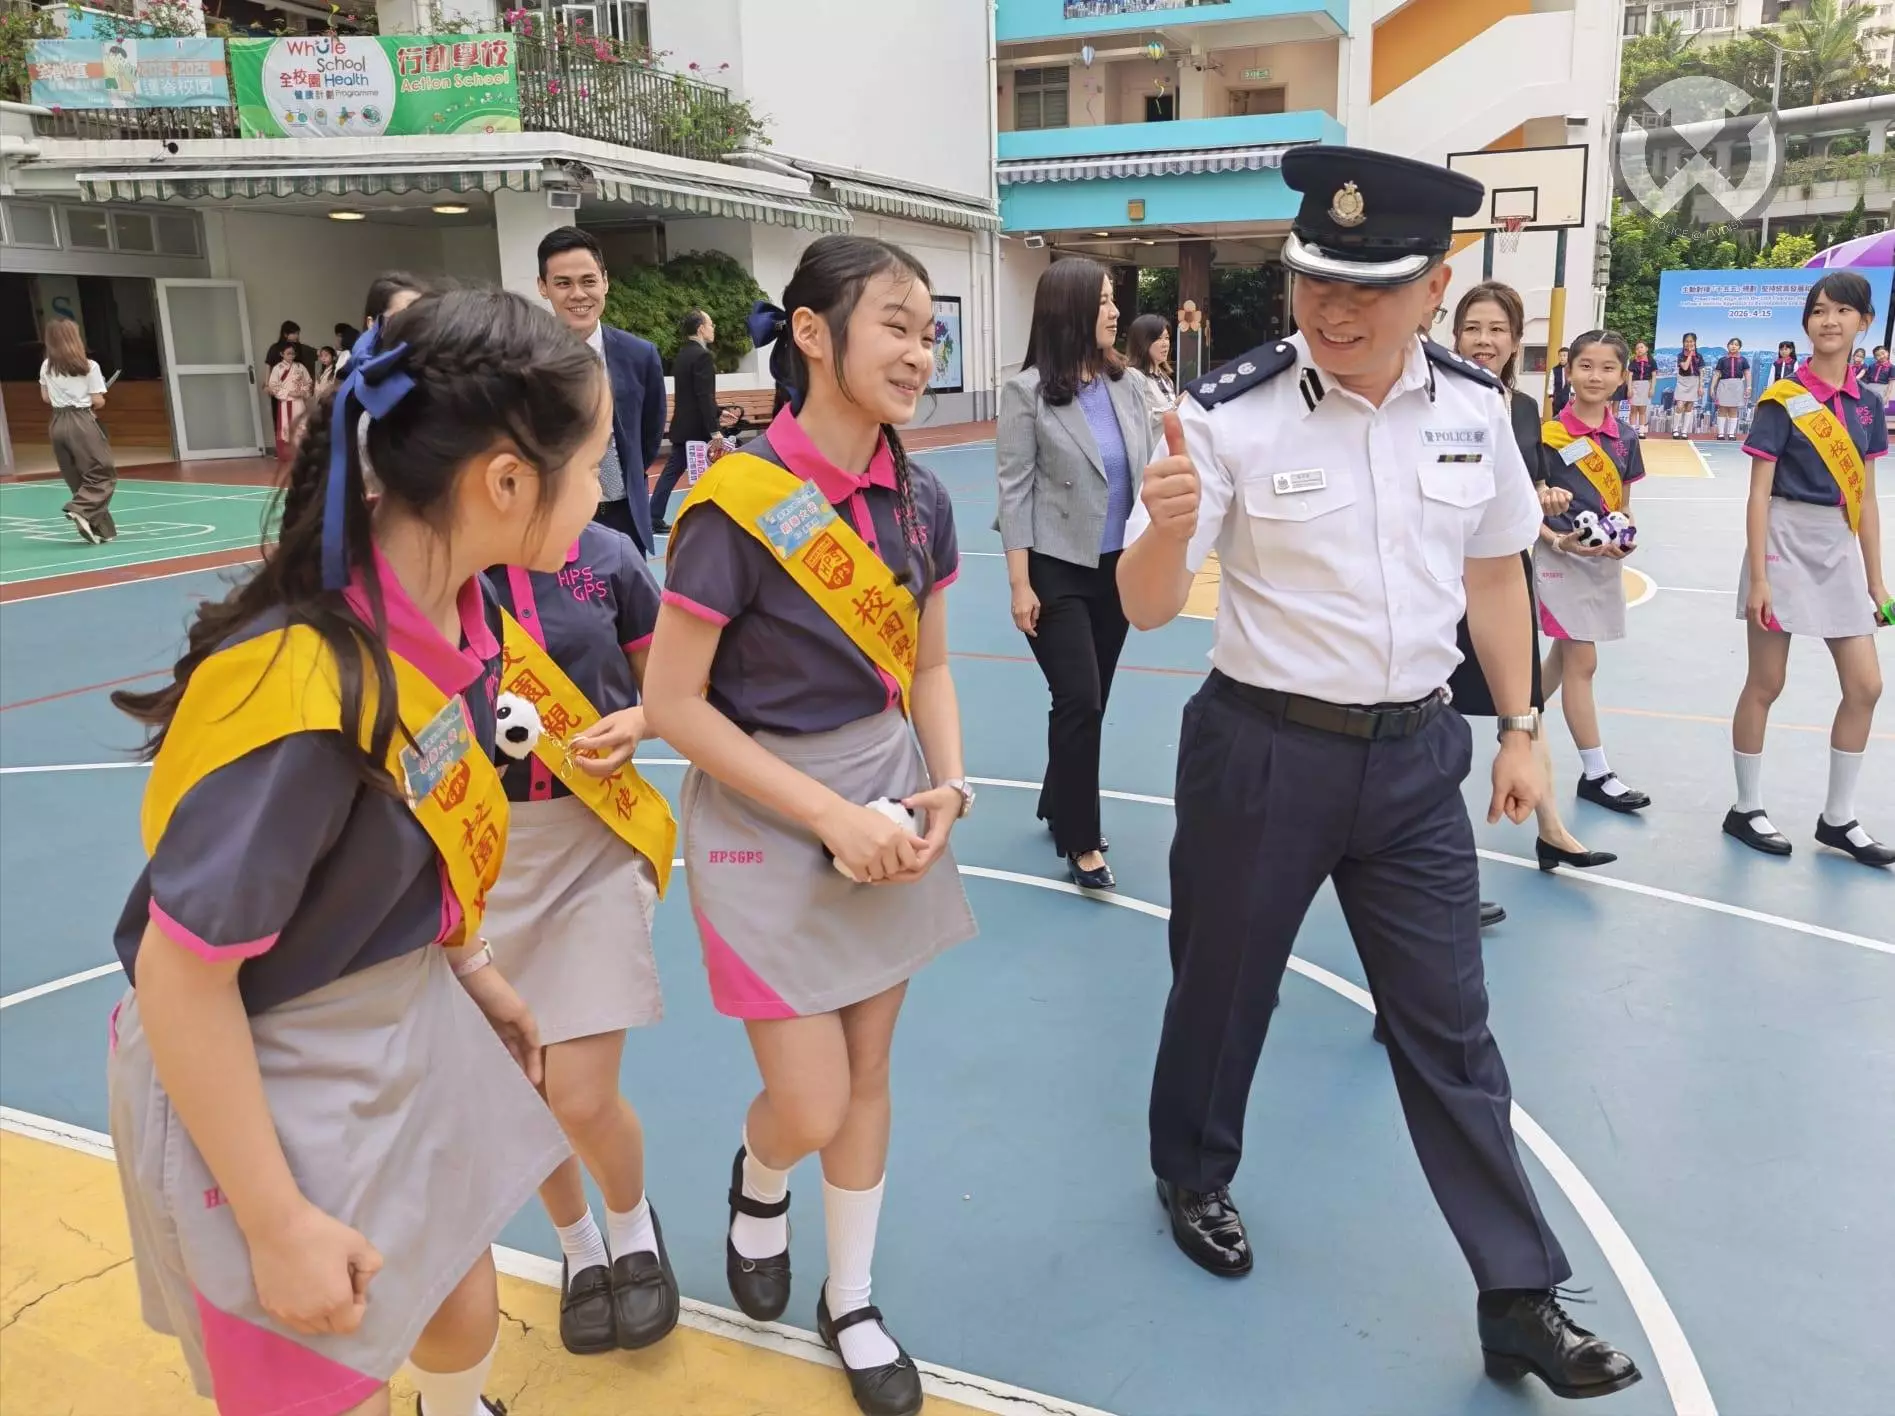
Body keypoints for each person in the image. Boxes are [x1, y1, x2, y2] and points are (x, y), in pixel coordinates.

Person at [1119, 144, 1640, 1401]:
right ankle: (1191, 1171)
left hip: (1414, 758)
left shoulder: (1472, 410)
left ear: (1433, 286)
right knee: (1223, 988)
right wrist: (1168, 529)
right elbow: (1143, 605)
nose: (1332, 310)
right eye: (1313, 281)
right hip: (1260, 748)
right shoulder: (1227, 414)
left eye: (1367, 287)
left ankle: (1516, 1296)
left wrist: (1518, 727)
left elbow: (1494, 575)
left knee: (1450, 1027)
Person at [104, 287, 610, 1416]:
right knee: (314, 1360)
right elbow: (183, 978)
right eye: (589, 467)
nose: (599, 493)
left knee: (455, 1291)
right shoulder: (301, 694)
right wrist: (276, 1220)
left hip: (394, 1017)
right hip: (267, 1068)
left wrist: (469, 967)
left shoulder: (446, 624)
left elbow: (408, 840)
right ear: (506, 484)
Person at [642, 235, 977, 1416]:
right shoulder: (733, 503)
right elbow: (674, 703)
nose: (919, 351)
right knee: (810, 1102)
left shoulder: (921, 500)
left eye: (928, 331)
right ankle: (761, 1169)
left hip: (886, 793)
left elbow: (927, 668)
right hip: (761, 813)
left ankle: (853, 1298)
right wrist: (829, 815)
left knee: (869, 1072)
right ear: (811, 333)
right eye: (895, 324)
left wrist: (949, 784)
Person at [483, 521, 682, 1354]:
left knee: (580, 1095)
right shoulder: (434, 566)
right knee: (523, 1091)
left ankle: (632, 1226)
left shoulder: (608, 557)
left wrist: (637, 720)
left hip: (594, 836)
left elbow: (675, 692)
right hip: (483, 852)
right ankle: (579, 1247)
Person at [1449, 284, 1616, 899]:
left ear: (1517, 341)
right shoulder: (1434, 401)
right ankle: (1442, 873)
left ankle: (1552, 831)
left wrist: (1552, 517)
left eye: (1497, 329)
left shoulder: (1522, 409)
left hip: (1504, 577)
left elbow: (1527, 492)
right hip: (1443, 577)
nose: (1484, 340)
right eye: (1473, 328)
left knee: (1526, 709)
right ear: (1454, 335)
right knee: (1436, 724)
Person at [995, 258, 1155, 890]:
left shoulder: (1128, 385)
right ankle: (1081, 840)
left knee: (1091, 699)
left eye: (1114, 300)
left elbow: (1152, 463)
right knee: (1080, 698)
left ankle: (1057, 798)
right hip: (1054, 570)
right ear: (1071, 311)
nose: (1114, 312)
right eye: (1103, 301)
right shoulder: (1027, 393)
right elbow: (1014, 491)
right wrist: (1019, 584)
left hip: (1117, 569)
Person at [1725, 271, 1891, 866]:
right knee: (1767, 682)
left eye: (1842, 310)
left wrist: (1876, 580)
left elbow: (1867, 499)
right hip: (1783, 540)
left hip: (1838, 544)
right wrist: (1760, 578)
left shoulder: (1869, 406)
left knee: (1866, 686)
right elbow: (1758, 494)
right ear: (1806, 323)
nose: (1829, 320)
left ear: (1864, 322)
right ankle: (1746, 808)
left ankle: (1838, 818)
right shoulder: (1782, 400)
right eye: (1819, 310)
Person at [1537, 330, 1651, 816]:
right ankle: (1597, 774)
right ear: (1569, 371)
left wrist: (1625, 535)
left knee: (1563, 658)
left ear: (1624, 377)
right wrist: (1557, 540)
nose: (1595, 376)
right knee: (1582, 663)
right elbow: (1527, 505)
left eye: (1607, 368)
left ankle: (1517, 720)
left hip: (1601, 560)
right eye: (1585, 365)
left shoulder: (1625, 438)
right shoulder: (1546, 436)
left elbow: (1623, 503)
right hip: (1560, 560)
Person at [537, 227, 666, 555]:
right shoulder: (523, 360)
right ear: (543, 287)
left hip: (626, 517)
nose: (578, 294)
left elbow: (649, 435)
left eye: (588, 281)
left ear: (605, 282)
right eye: (563, 283)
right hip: (556, 521)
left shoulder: (640, 355)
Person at [38, 316, 119, 545]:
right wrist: (96, 398)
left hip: (57, 422)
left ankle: (102, 529)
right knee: (102, 472)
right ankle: (80, 510)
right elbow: (98, 401)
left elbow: (46, 398)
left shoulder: (46, 366)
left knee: (77, 477)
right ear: (74, 338)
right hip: (81, 420)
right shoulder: (89, 366)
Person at [649, 308, 726, 533]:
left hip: (684, 426)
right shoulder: (702, 357)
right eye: (710, 324)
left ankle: (654, 516)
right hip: (697, 430)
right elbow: (703, 395)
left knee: (672, 473)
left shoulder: (683, 355)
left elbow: (691, 395)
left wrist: (719, 412)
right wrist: (714, 429)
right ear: (701, 328)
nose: (713, 328)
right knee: (710, 471)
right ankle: (708, 517)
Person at [339, 272, 429, 375]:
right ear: (372, 324)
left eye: (423, 318)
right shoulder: (358, 379)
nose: (417, 328)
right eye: (401, 318)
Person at [1125, 311, 1176, 427]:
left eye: (1167, 338)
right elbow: (1136, 418)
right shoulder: (1132, 377)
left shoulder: (1166, 379)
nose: (1165, 344)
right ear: (1142, 342)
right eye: (1158, 339)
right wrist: (1175, 406)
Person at [266, 345, 314, 464]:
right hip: (285, 402)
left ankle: (301, 454)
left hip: (299, 402)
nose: (291, 356)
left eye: (293, 353)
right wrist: (289, 393)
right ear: (282, 354)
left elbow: (308, 382)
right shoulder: (277, 368)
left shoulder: (300, 367)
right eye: (288, 353)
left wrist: (302, 392)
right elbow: (273, 385)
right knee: (286, 427)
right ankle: (288, 455)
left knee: (301, 425)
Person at [1713, 337, 1751, 441]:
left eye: (1736, 345)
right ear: (1727, 346)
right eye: (1732, 344)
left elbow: (1747, 373)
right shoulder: (1722, 360)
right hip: (1724, 384)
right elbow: (1717, 374)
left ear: (1739, 347)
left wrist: (1749, 386)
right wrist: (1712, 387)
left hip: (1737, 385)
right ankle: (1721, 434)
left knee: (1734, 409)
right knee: (1722, 408)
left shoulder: (1743, 360)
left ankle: (1731, 434)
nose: (1733, 346)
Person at [1673, 333, 1704, 439]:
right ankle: (1675, 429)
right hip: (1682, 381)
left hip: (1694, 381)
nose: (1689, 343)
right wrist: (1690, 354)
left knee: (1689, 407)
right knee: (1680, 405)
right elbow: (1685, 367)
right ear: (1683, 343)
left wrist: (1701, 386)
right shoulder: (1680, 356)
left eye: (1691, 341)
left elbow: (1701, 372)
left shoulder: (1699, 356)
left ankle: (1684, 431)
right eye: (1686, 341)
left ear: (1695, 342)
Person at [1626, 341, 1655, 437]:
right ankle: (1632, 431)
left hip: (1645, 386)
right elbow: (1630, 375)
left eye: (1641, 347)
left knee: (1642, 410)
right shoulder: (1633, 361)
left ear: (1646, 349)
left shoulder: (1651, 361)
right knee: (1633, 410)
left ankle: (1642, 431)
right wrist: (1629, 389)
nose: (1639, 349)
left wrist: (1652, 388)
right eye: (1637, 348)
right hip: (1634, 385)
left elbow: (1654, 376)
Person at [1549, 345, 1569, 414]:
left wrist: (1573, 394)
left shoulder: (1573, 369)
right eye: (1560, 356)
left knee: (1567, 415)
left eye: (1564, 355)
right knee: (1556, 415)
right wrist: (1551, 395)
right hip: (1557, 396)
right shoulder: (1554, 369)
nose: (1562, 358)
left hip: (1568, 396)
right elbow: (1551, 383)